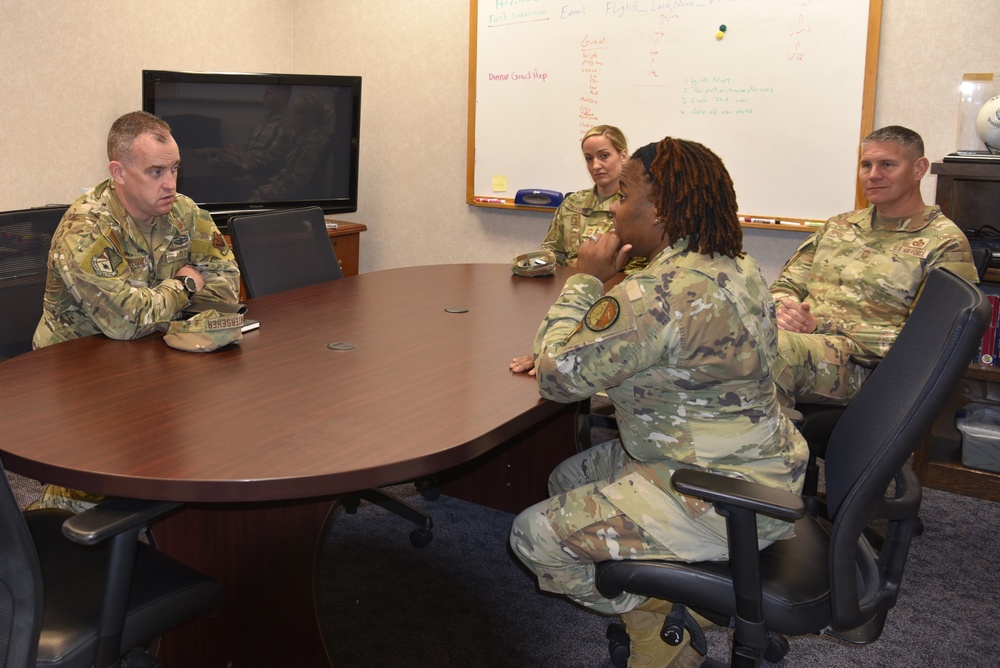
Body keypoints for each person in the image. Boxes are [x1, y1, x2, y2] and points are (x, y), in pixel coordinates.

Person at [509, 137, 807, 668]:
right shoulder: (736, 264)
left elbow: (556, 379)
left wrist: (583, 282)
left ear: (662, 208)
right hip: (762, 467)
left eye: (623, 194)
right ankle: (681, 602)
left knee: (532, 535)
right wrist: (584, 343)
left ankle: (658, 629)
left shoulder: (654, 293)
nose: (614, 208)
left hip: (716, 495)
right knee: (567, 478)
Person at [30, 110, 242, 511]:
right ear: (119, 172)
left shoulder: (184, 212)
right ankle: (55, 522)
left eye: (175, 169)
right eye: (156, 171)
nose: (171, 183)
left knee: (210, 435)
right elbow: (127, 322)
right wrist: (185, 282)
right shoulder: (87, 227)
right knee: (104, 477)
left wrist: (159, 303)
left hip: (151, 356)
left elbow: (227, 286)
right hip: (77, 370)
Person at [770, 125, 979, 407]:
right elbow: (786, 285)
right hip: (803, 342)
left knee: (765, 355)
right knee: (722, 341)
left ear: (919, 169)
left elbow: (931, 338)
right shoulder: (839, 226)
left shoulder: (944, 242)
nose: (873, 175)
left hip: (870, 367)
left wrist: (823, 325)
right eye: (866, 165)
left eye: (887, 165)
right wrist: (786, 312)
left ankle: (774, 449)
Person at [510, 124, 646, 375]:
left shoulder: (637, 209)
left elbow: (637, 270)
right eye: (589, 158)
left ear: (623, 156)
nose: (596, 165)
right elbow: (552, 251)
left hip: (613, 306)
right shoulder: (573, 203)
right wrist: (532, 263)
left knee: (564, 366)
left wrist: (587, 274)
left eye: (604, 156)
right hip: (567, 297)